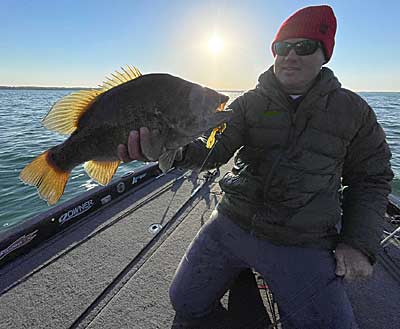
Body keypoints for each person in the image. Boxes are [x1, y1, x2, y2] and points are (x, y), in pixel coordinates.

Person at [118, 5, 394, 329]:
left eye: (303, 47)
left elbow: (371, 179)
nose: (289, 56)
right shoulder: (248, 103)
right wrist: (172, 151)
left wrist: (358, 242)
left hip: (303, 240)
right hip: (231, 223)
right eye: (281, 47)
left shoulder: (354, 111)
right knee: (185, 302)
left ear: (325, 55)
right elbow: (213, 150)